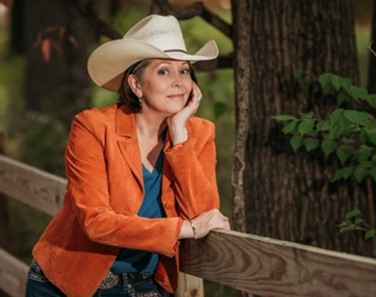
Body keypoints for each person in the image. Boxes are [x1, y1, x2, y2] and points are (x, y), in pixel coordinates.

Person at [25, 14, 230, 297]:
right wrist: (185, 229)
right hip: (65, 285)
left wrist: (180, 136)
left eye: (184, 71)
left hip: (141, 286)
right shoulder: (93, 126)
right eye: (163, 71)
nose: (179, 81)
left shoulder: (200, 132)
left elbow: (205, 212)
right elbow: (96, 223)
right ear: (135, 85)